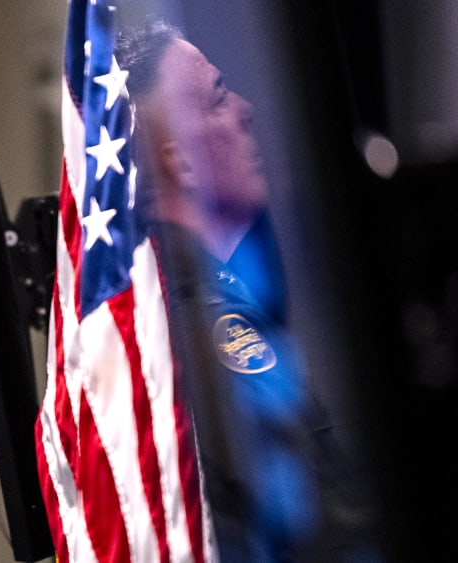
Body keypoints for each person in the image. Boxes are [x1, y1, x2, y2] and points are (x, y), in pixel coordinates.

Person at [115, 21, 379, 562]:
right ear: (180, 158)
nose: (244, 109)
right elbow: (322, 532)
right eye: (216, 99)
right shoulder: (212, 325)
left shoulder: (165, 307)